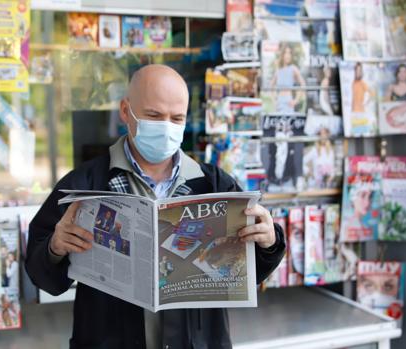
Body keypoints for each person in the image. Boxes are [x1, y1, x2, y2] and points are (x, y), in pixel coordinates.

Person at [25, 64, 286, 349]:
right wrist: (54, 248)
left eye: (177, 118)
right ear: (126, 112)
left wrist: (268, 242)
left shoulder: (214, 184)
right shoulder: (83, 184)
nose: (166, 128)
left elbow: (245, 274)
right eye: (154, 116)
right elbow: (41, 276)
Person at [269, 43, 306, 113]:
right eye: (286, 53)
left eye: (289, 53)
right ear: (282, 55)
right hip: (279, 102)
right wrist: (274, 101)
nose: (288, 55)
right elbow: (271, 86)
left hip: (289, 101)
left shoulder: (293, 68)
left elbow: (303, 83)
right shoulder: (278, 70)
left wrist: (296, 100)